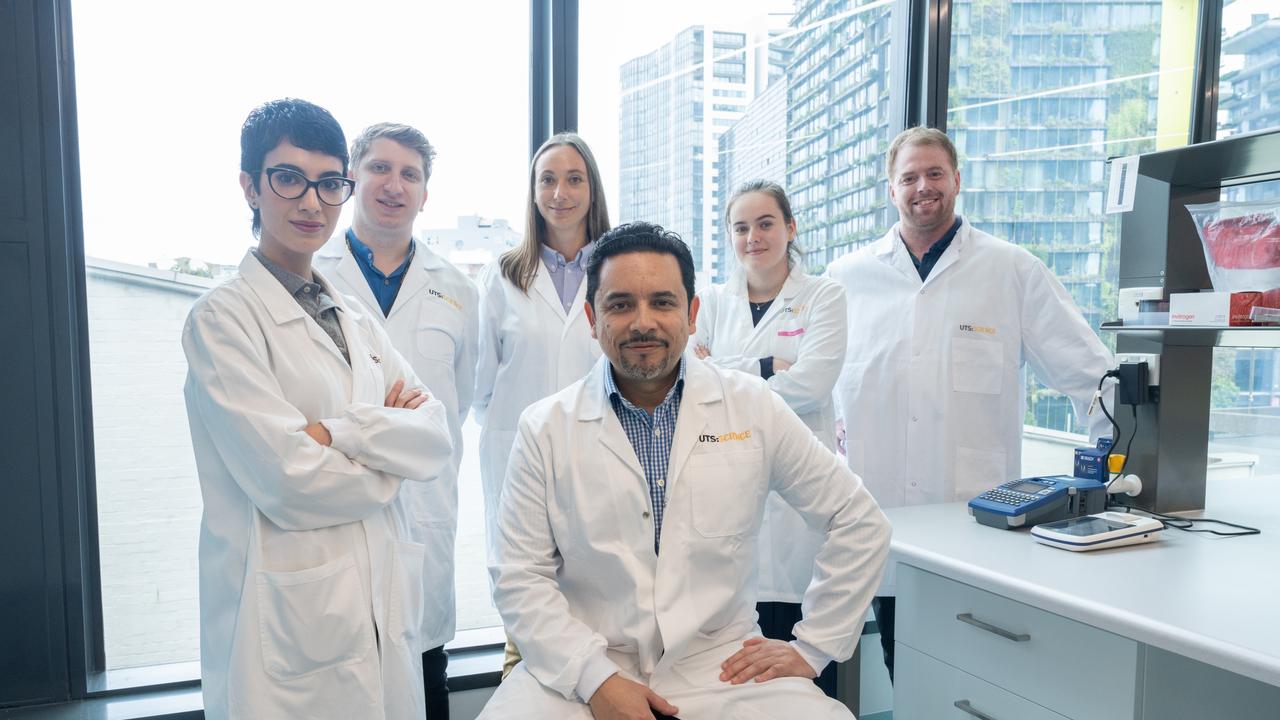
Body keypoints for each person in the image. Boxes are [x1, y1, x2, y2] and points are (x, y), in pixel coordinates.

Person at [477, 222, 890, 720]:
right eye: (620, 304)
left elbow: (859, 521)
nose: (642, 322)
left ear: (693, 315)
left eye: (663, 302)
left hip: (722, 666)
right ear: (592, 317)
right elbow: (520, 577)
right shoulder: (544, 427)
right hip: (580, 667)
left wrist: (813, 647)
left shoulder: (751, 406)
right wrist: (596, 679)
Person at [182, 98, 453, 720]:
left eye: (330, 183)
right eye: (288, 178)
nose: (312, 202)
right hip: (283, 626)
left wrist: (334, 432)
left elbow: (434, 439)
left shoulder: (354, 316)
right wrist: (390, 457)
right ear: (250, 186)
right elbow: (288, 480)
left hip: (377, 608)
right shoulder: (223, 320)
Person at [827, 126, 1115, 681]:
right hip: (881, 524)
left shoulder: (1011, 270)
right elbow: (814, 388)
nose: (923, 187)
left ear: (957, 180)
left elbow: (1089, 375)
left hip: (977, 527)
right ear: (891, 190)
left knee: (980, 677)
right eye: (908, 177)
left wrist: (1123, 467)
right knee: (905, 670)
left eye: (935, 173)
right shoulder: (846, 280)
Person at [316, 122, 478, 719]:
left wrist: (392, 425)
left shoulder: (458, 289)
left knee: (423, 672)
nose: (394, 184)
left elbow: (457, 400)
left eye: (410, 173)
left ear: (425, 193)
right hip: (339, 506)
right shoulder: (314, 273)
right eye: (380, 168)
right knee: (344, 675)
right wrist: (387, 424)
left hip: (425, 512)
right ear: (353, 177)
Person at [693, 180, 847, 697]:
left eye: (765, 224)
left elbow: (813, 382)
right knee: (740, 679)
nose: (753, 237)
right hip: (731, 489)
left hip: (801, 503)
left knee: (801, 678)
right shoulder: (711, 301)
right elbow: (694, 376)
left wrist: (729, 376)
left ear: (790, 228)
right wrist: (763, 365)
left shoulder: (824, 296)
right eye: (741, 227)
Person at [474, 133, 610, 574]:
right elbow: (482, 384)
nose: (560, 193)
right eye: (547, 179)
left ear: (592, 190)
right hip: (516, 449)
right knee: (524, 582)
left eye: (574, 179)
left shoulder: (618, 269)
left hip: (602, 449)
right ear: (533, 192)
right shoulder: (505, 274)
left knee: (597, 584)